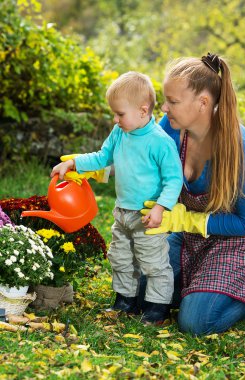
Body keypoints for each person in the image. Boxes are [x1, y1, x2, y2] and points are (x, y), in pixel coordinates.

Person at [51, 71, 183, 324]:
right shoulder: (119, 133)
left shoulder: (160, 142)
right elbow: (102, 157)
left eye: (120, 114)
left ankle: (157, 308)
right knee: (120, 257)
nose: (115, 119)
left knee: (153, 263)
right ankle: (125, 301)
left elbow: (173, 180)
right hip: (122, 211)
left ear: (143, 111)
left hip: (147, 216)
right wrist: (74, 163)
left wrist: (160, 207)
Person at [141, 53, 245, 335]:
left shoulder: (242, 149)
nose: (164, 108)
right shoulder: (171, 128)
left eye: (173, 102)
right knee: (145, 291)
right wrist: (89, 167)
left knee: (196, 322)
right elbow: (138, 158)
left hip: (237, 243)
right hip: (190, 238)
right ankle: (202, 285)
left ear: (203, 103)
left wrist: (190, 221)